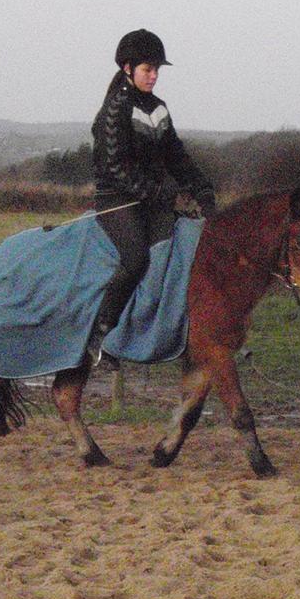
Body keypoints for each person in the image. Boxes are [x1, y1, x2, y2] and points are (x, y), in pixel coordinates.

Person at [87, 28, 216, 363]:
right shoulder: (115, 109)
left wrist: (201, 187)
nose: (154, 75)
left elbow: (176, 155)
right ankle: (101, 334)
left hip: (154, 199)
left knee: (184, 250)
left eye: (157, 70)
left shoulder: (159, 108)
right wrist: (156, 193)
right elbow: (116, 166)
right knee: (135, 259)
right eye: (148, 69)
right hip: (118, 201)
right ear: (128, 69)